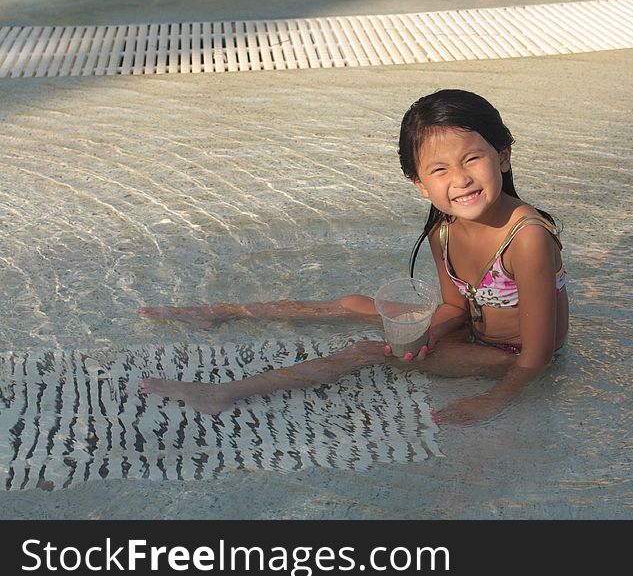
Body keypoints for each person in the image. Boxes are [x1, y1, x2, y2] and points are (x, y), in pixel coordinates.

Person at [138, 89, 568, 426]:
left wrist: (490, 401)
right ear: (419, 183)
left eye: (472, 158)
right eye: (439, 170)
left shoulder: (527, 238)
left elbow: (539, 355)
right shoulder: (442, 231)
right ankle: (222, 311)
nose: (460, 179)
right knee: (354, 305)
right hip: (473, 330)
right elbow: (456, 308)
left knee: (369, 349)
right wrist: (426, 335)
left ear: (504, 155)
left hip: (513, 356)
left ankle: (223, 393)